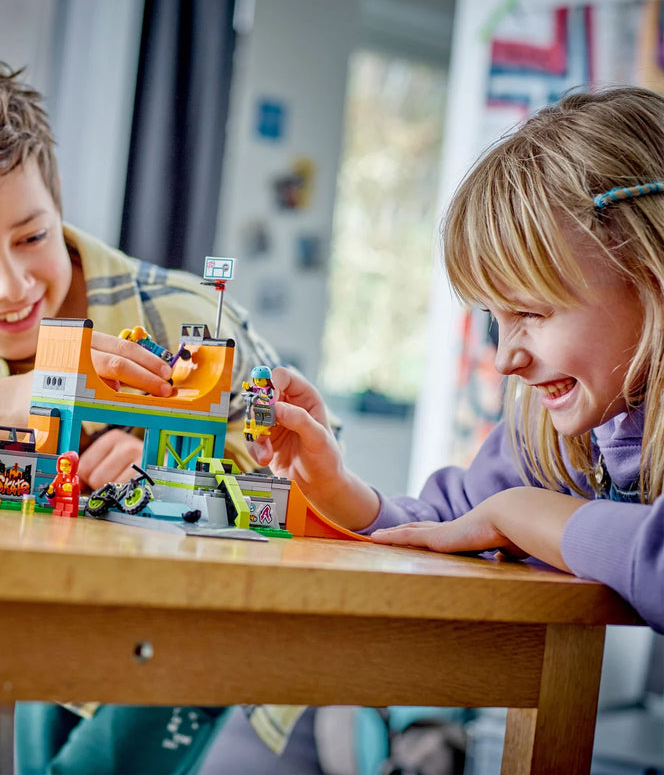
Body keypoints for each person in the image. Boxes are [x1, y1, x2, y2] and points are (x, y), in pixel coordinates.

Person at [0, 52, 281, 773]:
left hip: (182, 631)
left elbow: (292, 470)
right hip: (25, 626)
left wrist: (169, 475)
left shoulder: (185, 318)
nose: (14, 284)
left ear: (58, 207)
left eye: (32, 236)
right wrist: (28, 393)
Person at [249, 85, 664, 637]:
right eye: (496, 317)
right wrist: (334, 488)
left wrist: (522, 515)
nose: (506, 359)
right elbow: (453, 526)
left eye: (532, 313)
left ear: (651, 273)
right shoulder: (551, 429)